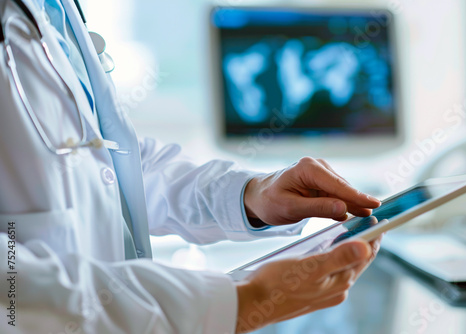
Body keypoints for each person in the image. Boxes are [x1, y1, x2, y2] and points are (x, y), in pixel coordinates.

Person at [0, 0, 382, 333]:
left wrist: (252, 195)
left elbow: (114, 167)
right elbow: (13, 289)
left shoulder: (55, 8)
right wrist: (242, 303)